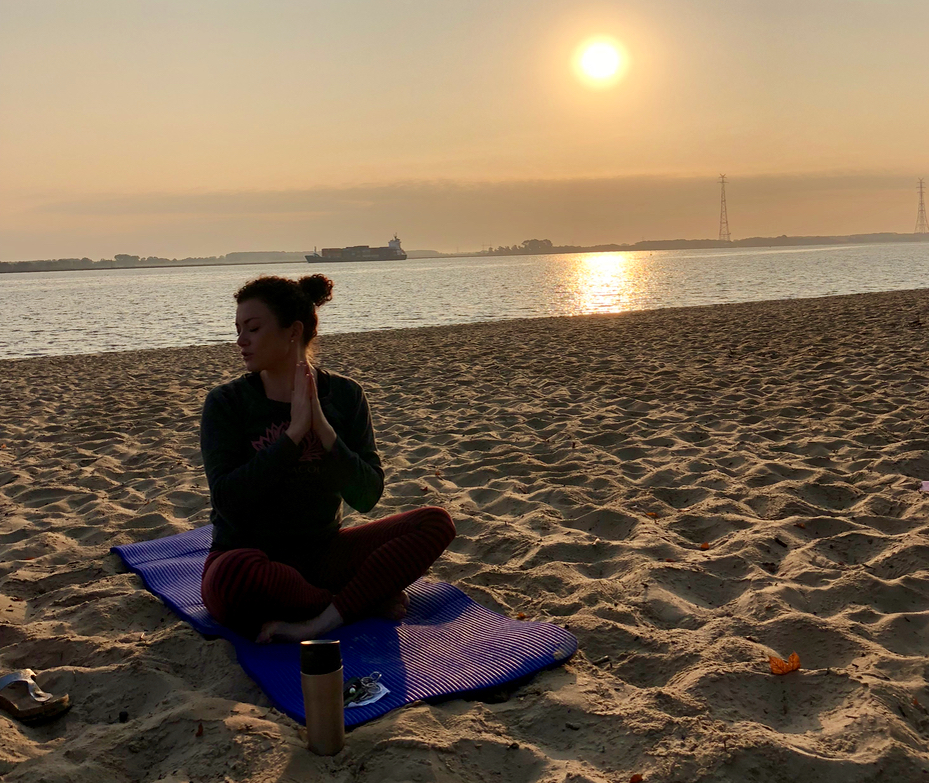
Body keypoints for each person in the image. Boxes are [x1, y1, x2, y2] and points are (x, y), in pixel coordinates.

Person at [199, 274, 456, 643]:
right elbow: (228, 504)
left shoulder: (345, 396)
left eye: (252, 328)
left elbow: (366, 497)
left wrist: (323, 429)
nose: (240, 341)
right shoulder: (227, 403)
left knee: (434, 523)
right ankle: (350, 604)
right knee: (233, 578)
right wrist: (291, 437)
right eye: (237, 328)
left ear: (293, 331)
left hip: (324, 554)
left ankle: (320, 620)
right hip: (251, 557)